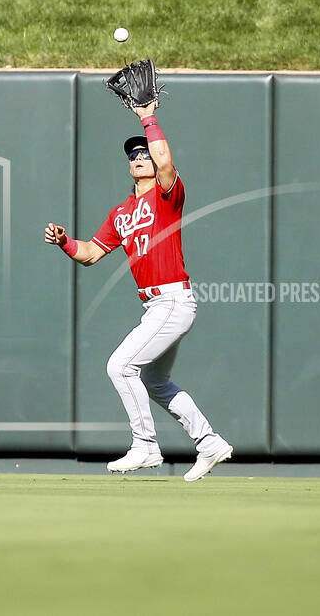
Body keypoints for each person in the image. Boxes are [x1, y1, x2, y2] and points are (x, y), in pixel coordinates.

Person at [44, 101, 233, 482]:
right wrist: (65, 242)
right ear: (129, 165)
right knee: (154, 381)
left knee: (120, 366)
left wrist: (148, 117)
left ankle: (145, 446)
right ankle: (210, 443)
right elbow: (91, 253)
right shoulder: (121, 213)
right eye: (134, 154)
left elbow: (166, 164)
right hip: (155, 306)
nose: (140, 157)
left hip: (172, 299)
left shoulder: (167, 197)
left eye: (144, 151)